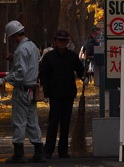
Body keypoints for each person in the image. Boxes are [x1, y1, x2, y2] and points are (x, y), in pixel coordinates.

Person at [0, 20, 44, 163]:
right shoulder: (32, 46)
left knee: (19, 122)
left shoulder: (20, 50)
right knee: (32, 121)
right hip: (32, 89)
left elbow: (20, 72)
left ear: (13, 36)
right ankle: (39, 152)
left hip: (22, 90)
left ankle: (18, 154)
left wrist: (5, 79)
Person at [39, 28, 85, 159]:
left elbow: (80, 69)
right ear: (55, 41)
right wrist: (45, 93)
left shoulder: (72, 56)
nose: (62, 43)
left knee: (65, 123)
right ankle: (48, 150)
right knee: (53, 123)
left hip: (68, 94)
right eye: (60, 40)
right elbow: (44, 76)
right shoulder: (49, 57)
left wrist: (84, 77)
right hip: (54, 94)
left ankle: (63, 151)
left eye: (64, 41)